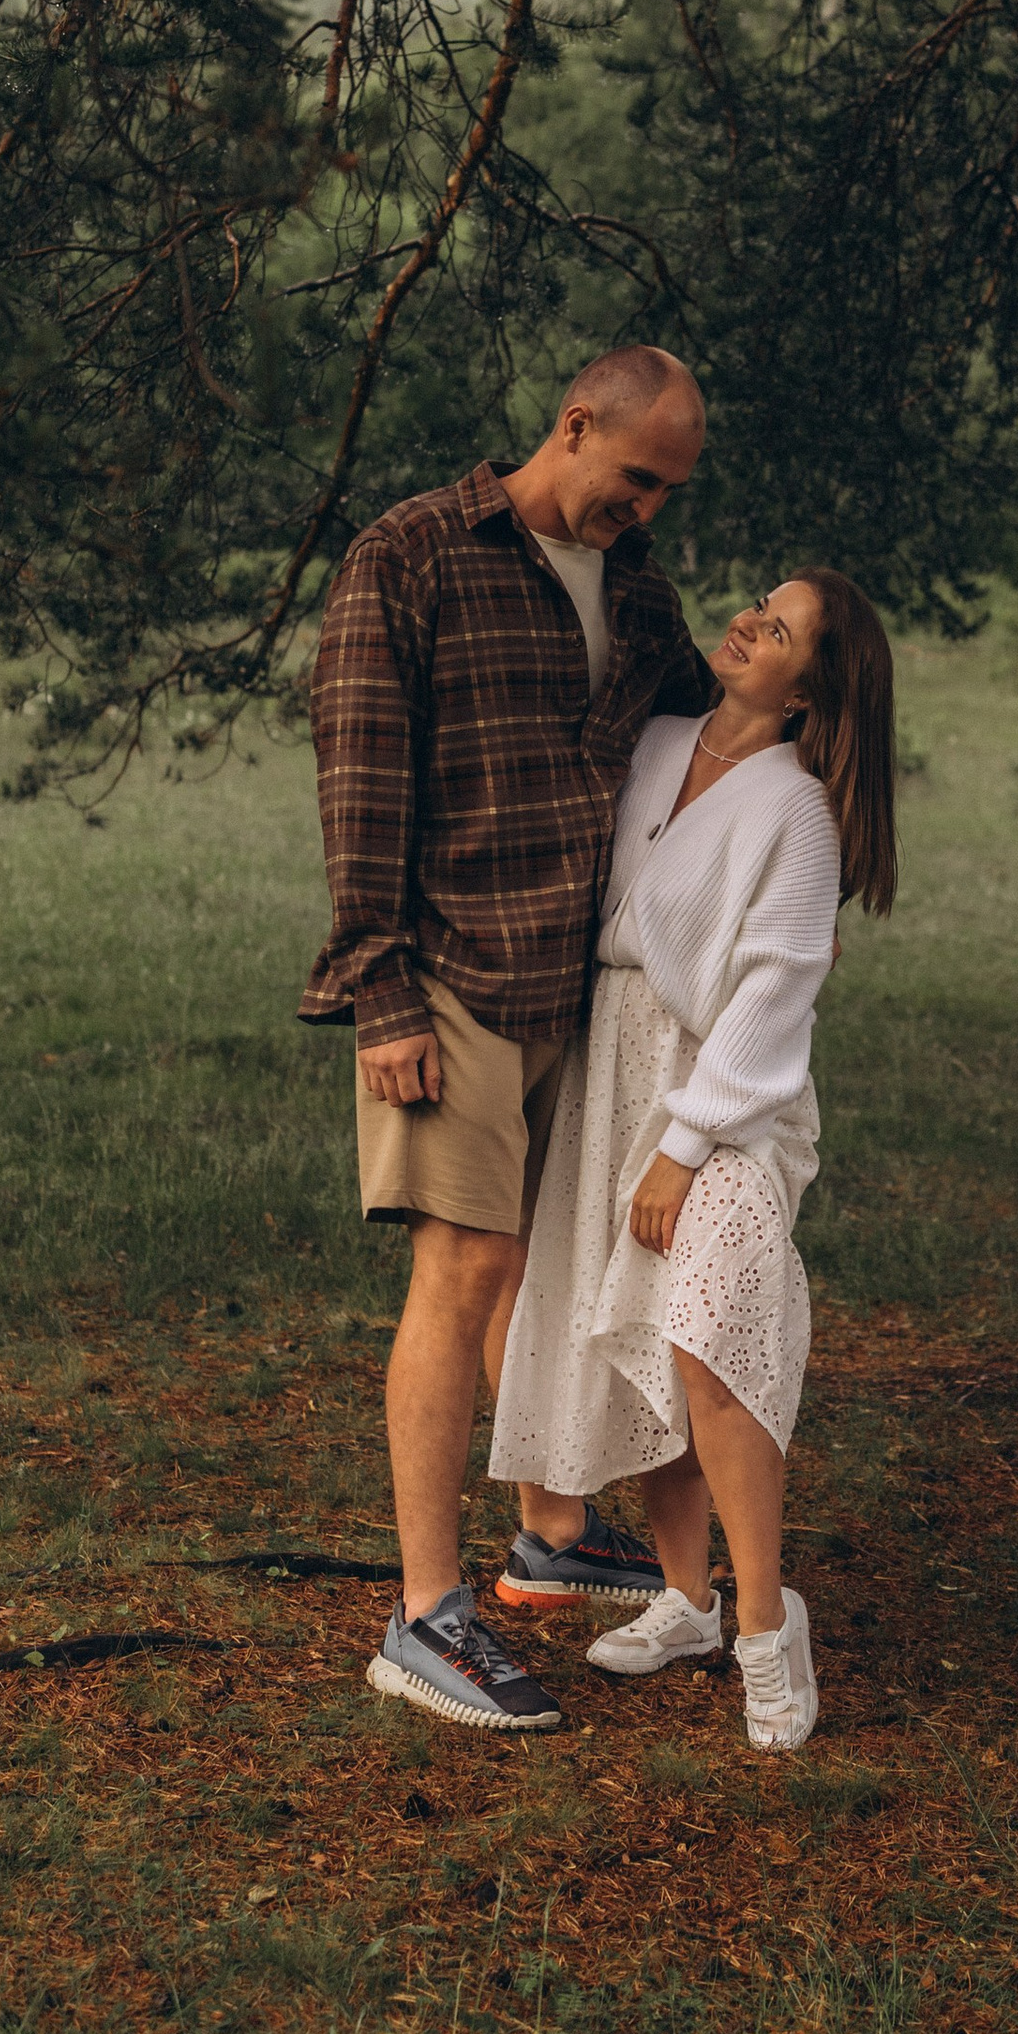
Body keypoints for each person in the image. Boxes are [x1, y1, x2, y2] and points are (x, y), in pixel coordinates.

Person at [300, 348, 716, 1735]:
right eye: (634, 476)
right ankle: (425, 1619)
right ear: (574, 424)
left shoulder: (640, 593)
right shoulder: (411, 555)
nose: (645, 508)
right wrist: (380, 990)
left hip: (577, 982)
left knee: (546, 1262)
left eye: (668, 491)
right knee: (464, 1264)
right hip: (451, 972)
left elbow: (711, 737)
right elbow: (362, 771)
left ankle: (550, 1532)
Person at [487, 569, 899, 1753]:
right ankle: (687, 1600)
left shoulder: (798, 813)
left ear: (810, 689)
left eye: (778, 629)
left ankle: (768, 1631)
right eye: (756, 605)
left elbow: (775, 992)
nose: (747, 623)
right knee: (639, 1339)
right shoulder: (655, 741)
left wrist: (682, 1145)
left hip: (721, 1094)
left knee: (712, 1326)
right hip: (603, 1069)